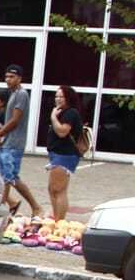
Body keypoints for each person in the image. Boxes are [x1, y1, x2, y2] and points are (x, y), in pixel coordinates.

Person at [0, 64, 43, 218]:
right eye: (6, 77)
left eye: (12, 77)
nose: (8, 80)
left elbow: (15, 120)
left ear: (19, 78)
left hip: (15, 143)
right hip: (8, 142)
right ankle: (29, 206)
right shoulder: (12, 94)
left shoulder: (21, 94)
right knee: (10, 177)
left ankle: (2, 209)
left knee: (7, 178)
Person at [45, 85, 84, 221]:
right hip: (56, 154)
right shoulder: (60, 112)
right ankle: (56, 219)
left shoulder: (70, 113)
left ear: (69, 98)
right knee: (52, 189)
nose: (58, 99)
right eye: (56, 96)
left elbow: (62, 132)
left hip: (65, 155)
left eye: (62, 96)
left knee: (59, 189)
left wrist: (53, 117)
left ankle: (60, 221)